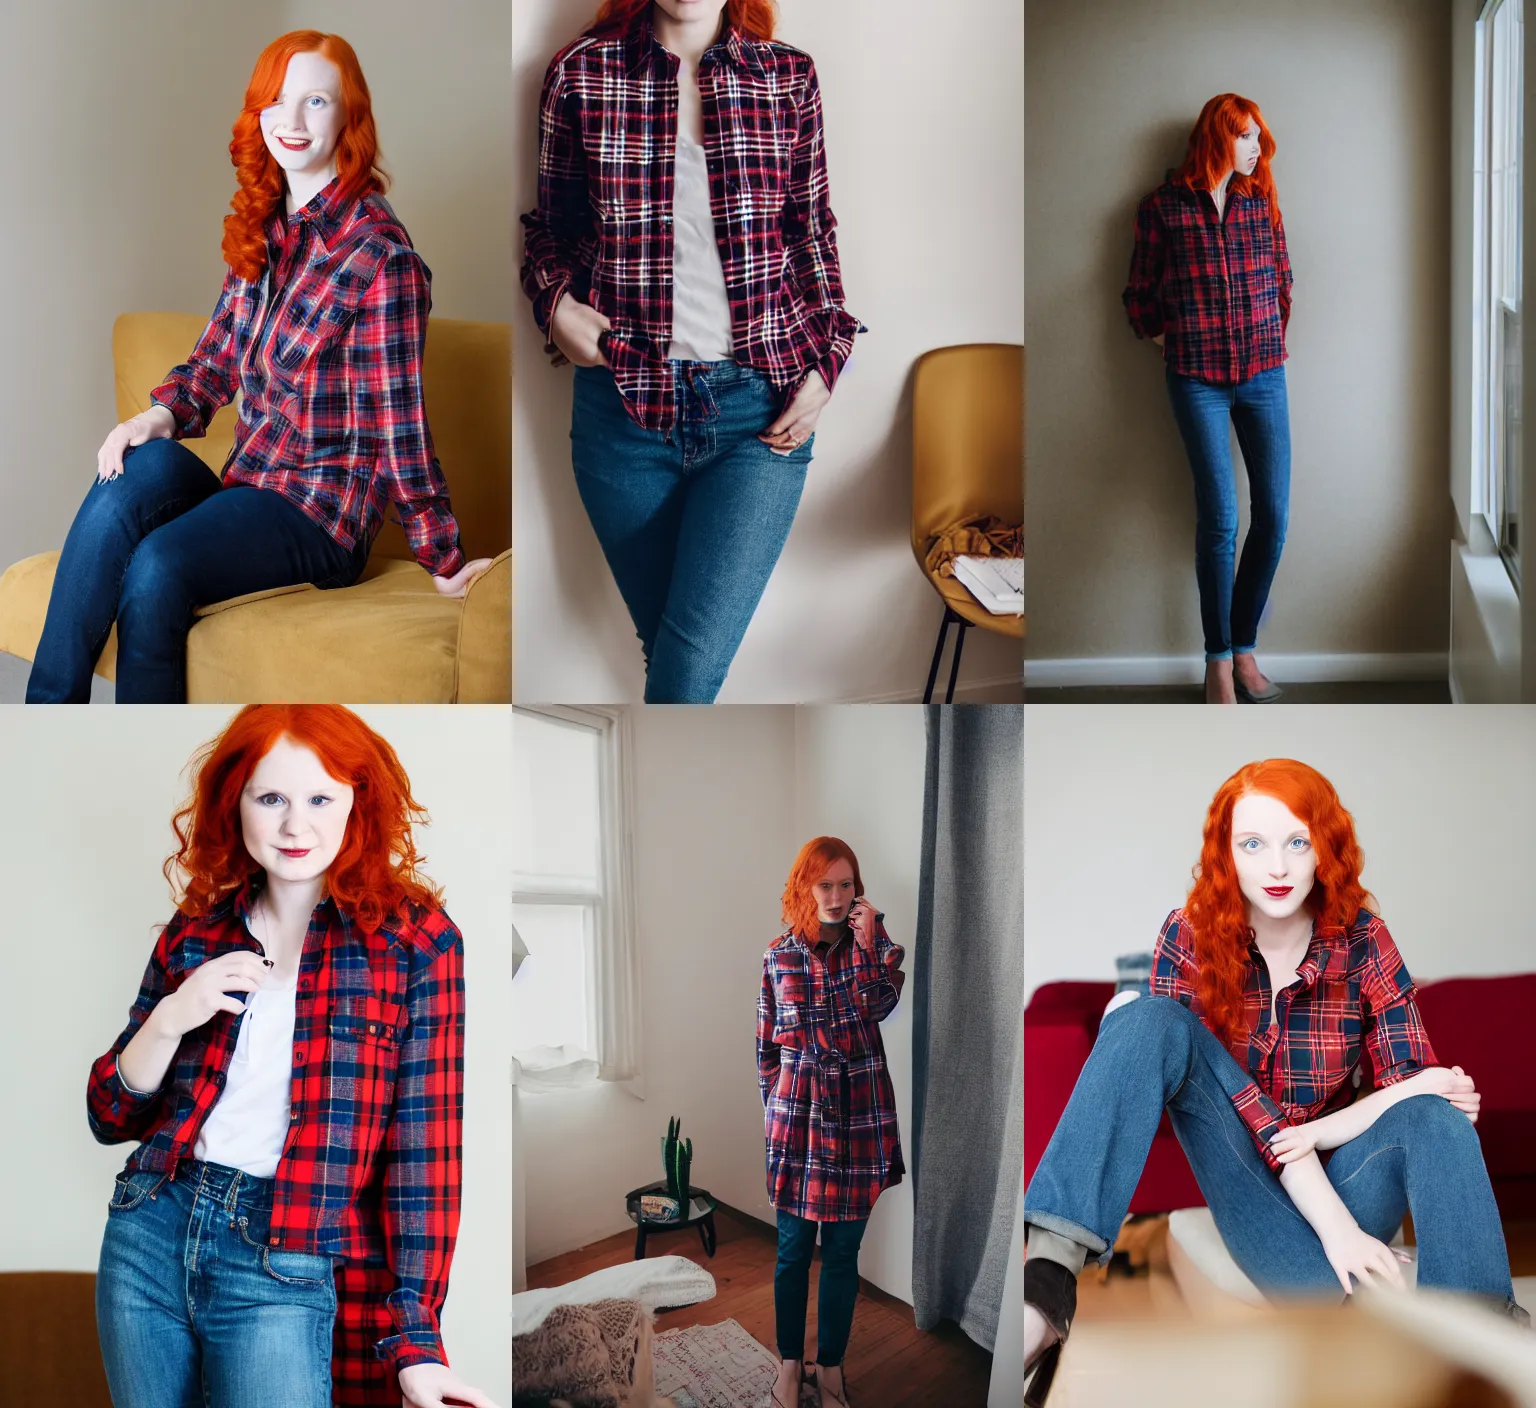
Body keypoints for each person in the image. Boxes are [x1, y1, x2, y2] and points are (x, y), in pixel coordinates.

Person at [1020, 759, 1527, 1406]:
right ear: (1226, 854)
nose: (1279, 868)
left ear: (1326, 846)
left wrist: (1323, 1136)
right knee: (1150, 1019)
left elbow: (1420, 1088)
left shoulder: (1365, 940)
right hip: (1250, 1197)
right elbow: (1223, 1090)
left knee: (1434, 1118)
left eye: (1297, 842)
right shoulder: (1189, 934)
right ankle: (1047, 1285)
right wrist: (1326, 1208)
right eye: (1253, 844)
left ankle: (1479, 1344)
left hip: (1348, 1185)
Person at [27, 32, 491, 704]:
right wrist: (156, 415)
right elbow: (215, 360)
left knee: (157, 565)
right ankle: (46, 720)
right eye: (276, 102)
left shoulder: (380, 258)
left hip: (321, 514)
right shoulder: (265, 227)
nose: (292, 122)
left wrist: (441, 556)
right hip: (247, 486)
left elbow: (401, 428)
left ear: (349, 117)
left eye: (316, 101)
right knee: (132, 469)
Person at [88, 705, 499, 1408]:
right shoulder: (196, 933)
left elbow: (423, 1156)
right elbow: (109, 1114)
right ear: (236, 802)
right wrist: (170, 1016)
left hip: (285, 1251)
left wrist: (418, 1343)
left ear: (356, 804)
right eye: (270, 797)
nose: (294, 825)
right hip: (149, 1231)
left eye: (320, 798)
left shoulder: (417, 944)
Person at [520, 0, 862, 703]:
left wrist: (831, 358)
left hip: (760, 413)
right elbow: (549, 228)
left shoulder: (787, 76)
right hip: (622, 413)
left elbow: (811, 232)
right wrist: (555, 307)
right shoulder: (579, 74)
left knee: (686, 670)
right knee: (674, 657)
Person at [1123, 94, 1293, 706]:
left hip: (1264, 376)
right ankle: (1218, 663)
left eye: (1257, 138)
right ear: (1218, 138)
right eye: (1245, 137)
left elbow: (1283, 276)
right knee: (1220, 520)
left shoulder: (1260, 202)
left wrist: (1270, 329)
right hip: (1196, 379)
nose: (1256, 148)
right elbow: (1138, 294)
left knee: (1272, 518)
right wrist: (1175, 335)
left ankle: (1245, 648)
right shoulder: (1161, 208)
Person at [758, 837, 904, 1408]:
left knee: (843, 1253)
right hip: (796, 1118)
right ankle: (790, 1366)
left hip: (859, 1115)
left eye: (847, 884)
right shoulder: (778, 956)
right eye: (826, 884)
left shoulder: (879, 947)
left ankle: (832, 1369)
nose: (838, 897)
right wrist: (775, 1106)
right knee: (793, 1250)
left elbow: (877, 1006)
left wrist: (869, 945)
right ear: (805, 885)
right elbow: (766, 1046)